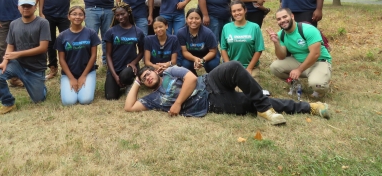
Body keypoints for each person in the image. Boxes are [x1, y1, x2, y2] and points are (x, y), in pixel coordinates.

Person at [124, 61, 330, 125]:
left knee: (232, 66)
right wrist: (135, 81)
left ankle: (264, 108)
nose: (147, 78)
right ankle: (310, 108)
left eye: (148, 73)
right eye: (144, 80)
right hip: (211, 102)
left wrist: (177, 103)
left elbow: (192, 78)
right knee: (250, 103)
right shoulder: (153, 99)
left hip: (209, 80)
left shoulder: (170, 71)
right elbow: (129, 107)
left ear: (155, 71)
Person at [0, 0, 50, 116]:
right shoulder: (14, 24)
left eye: (29, 6)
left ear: (35, 7)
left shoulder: (43, 23)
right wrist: (4, 62)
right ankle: (8, 103)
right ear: (18, 7)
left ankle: (41, 86)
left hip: (35, 67)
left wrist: (18, 54)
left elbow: (43, 48)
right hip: (18, 65)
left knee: (38, 100)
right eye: (23, 6)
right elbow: (10, 46)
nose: (26, 8)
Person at [267, 8, 332, 98]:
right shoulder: (281, 34)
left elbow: (315, 54)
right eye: (279, 19)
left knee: (317, 84)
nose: (282, 20)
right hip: (299, 61)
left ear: (292, 16)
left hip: (319, 62)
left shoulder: (308, 29)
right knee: (275, 67)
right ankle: (296, 84)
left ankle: (321, 84)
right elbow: (281, 57)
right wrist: (276, 43)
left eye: (285, 17)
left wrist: (299, 70)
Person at [36, 0, 78, 80]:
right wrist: (41, 12)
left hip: (65, 15)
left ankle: (69, 67)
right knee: (50, 42)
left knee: (67, 41)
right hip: (48, 14)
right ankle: (53, 68)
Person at [54, 6, 100, 105]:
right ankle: (68, 86)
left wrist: (83, 76)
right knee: (69, 102)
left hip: (87, 72)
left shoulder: (91, 33)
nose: (77, 17)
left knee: (85, 100)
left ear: (84, 17)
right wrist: (71, 78)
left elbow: (93, 56)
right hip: (69, 73)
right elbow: (61, 59)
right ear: (68, 17)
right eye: (74, 14)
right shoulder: (62, 36)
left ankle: (85, 86)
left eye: (80, 14)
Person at [104, 2, 145, 100]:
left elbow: (142, 52)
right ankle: (119, 83)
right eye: (117, 15)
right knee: (111, 97)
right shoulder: (111, 31)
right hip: (115, 67)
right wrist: (114, 75)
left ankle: (129, 82)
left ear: (129, 13)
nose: (120, 17)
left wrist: (133, 63)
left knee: (125, 75)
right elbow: (108, 55)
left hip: (129, 68)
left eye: (123, 14)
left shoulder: (138, 31)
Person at [220, 0, 264, 80]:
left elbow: (259, 50)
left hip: (250, 67)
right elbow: (223, 48)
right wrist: (228, 66)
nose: (237, 13)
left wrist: (249, 68)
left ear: (245, 10)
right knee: (231, 90)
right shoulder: (226, 27)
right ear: (231, 13)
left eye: (239, 10)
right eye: (234, 11)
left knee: (247, 90)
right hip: (232, 67)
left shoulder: (255, 27)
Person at [176, 8, 220, 75]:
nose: (194, 21)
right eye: (191, 18)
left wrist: (202, 61)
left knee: (212, 64)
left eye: (197, 18)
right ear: (186, 19)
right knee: (185, 64)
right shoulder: (181, 33)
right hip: (191, 56)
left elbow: (213, 51)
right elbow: (184, 51)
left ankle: (212, 78)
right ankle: (193, 77)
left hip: (207, 55)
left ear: (201, 20)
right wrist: (194, 59)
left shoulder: (208, 33)